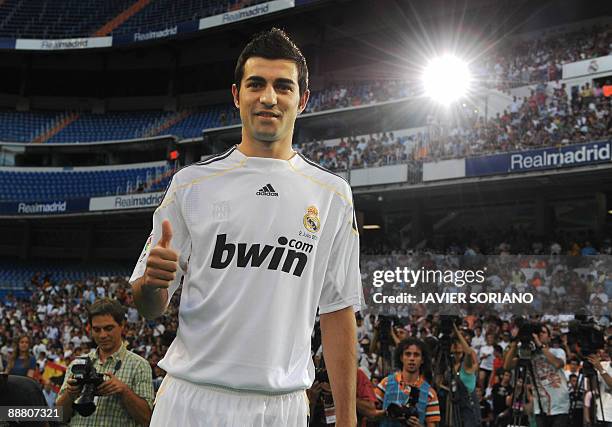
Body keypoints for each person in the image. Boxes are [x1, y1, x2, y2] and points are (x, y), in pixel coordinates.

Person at [131, 28, 362, 427]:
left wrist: (347, 419)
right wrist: (151, 285)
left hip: (281, 407)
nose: (268, 97)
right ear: (237, 95)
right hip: (191, 399)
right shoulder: (190, 185)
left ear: (302, 100)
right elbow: (149, 306)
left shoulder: (333, 195)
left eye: (283, 87)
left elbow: (338, 311)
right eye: (256, 84)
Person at [56, 298, 154, 426]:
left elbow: (147, 420)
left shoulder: (139, 365)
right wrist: (70, 393)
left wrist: (123, 391)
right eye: (96, 330)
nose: (102, 335)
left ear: (122, 325)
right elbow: (58, 416)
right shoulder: (77, 365)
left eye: (109, 328)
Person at [504, 324, 569, 427]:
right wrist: (515, 344)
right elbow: (507, 366)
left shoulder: (557, 351)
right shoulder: (530, 354)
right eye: (537, 333)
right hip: (539, 405)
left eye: (543, 333)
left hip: (559, 404)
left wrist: (540, 345)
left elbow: (558, 364)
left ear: (549, 337)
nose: (539, 335)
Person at [374, 338, 441, 427]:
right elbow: (370, 413)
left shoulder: (430, 393)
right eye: (408, 354)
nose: (412, 358)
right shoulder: (386, 383)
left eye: (416, 355)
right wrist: (388, 412)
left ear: (422, 360)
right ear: (401, 357)